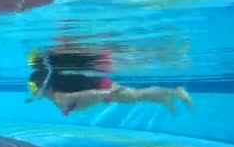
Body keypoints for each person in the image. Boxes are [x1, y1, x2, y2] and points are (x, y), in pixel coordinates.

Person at [25, 48, 193, 116]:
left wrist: (105, 94)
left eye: (32, 88)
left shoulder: (59, 97)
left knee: (136, 95)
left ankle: (176, 92)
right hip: (99, 87)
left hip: (101, 87)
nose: (32, 91)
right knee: (135, 98)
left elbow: (85, 97)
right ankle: (164, 99)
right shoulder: (57, 91)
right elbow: (83, 96)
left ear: (41, 85)